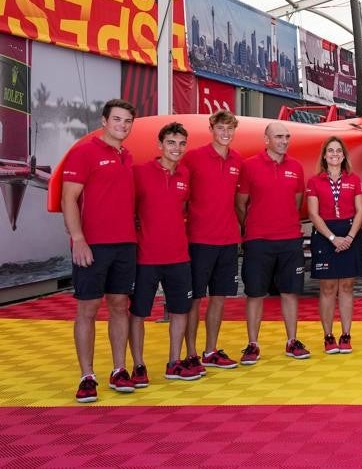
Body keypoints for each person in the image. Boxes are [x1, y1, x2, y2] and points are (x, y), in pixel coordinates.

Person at [62, 99, 139, 402]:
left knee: (120, 305)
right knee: (88, 309)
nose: (122, 125)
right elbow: (69, 199)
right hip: (93, 245)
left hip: (125, 244)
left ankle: (119, 369)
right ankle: (87, 376)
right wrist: (78, 239)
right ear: (104, 120)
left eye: (127, 121)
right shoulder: (84, 152)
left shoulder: (128, 156)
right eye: (117, 119)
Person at [129, 122, 199, 385]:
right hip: (145, 257)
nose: (176, 148)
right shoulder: (140, 173)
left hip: (179, 257)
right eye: (171, 143)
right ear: (160, 145)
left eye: (182, 143)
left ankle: (174, 362)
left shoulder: (185, 175)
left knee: (180, 310)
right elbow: (128, 209)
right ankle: (138, 365)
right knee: (138, 313)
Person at [236, 122, 308, 363]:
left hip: (289, 239)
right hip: (258, 240)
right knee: (255, 293)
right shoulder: (249, 166)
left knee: (290, 292)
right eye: (278, 136)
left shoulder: (296, 167)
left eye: (287, 136)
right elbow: (241, 204)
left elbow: (296, 202)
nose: (284, 141)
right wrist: (253, 228)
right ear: (266, 139)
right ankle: (252, 344)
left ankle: (292, 341)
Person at [183, 110, 243, 371]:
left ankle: (210, 350)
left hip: (228, 239)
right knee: (194, 299)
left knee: (219, 297)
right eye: (221, 128)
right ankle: (192, 353)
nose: (226, 134)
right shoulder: (193, 158)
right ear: (212, 128)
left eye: (230, 129)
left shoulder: (237, 161)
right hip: (199, 239)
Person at [306, 137, 362, 354]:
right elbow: (313, 213)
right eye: (330, 151)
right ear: (324, 155)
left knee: (347, 287)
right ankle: (329, 336)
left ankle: (346, 335)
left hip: (349, 234)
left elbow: (360, 210)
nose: (334, 154)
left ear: (343, 155)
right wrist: (332, 238)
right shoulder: (314, 181)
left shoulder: (354, 179)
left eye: (338, 151)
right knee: (328, 288)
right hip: (325, 236)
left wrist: (349, 238)